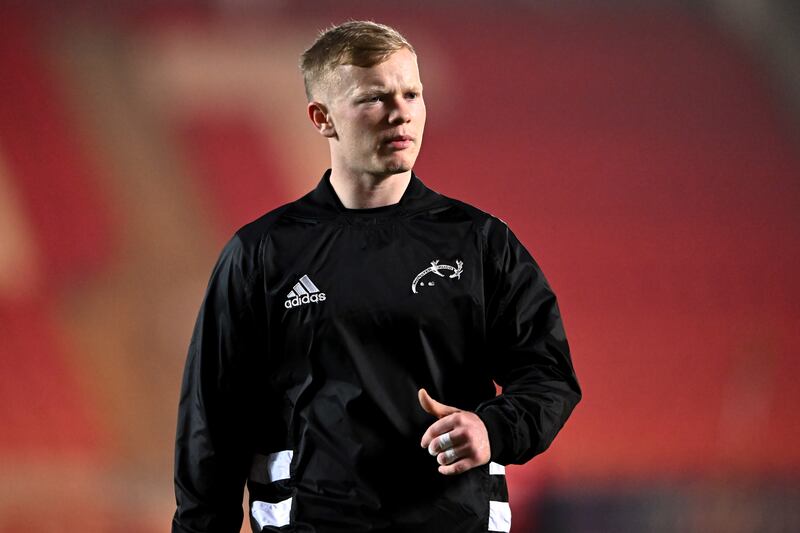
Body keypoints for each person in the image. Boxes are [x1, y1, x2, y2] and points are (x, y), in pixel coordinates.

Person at [172, 20, 581, 533]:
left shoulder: (480, 243)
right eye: (374, 98)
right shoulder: (262, 254)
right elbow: (211, 424)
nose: (401, 112)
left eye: (412, 93)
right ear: (322, 118)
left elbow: (549, 376)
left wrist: (491, 428)